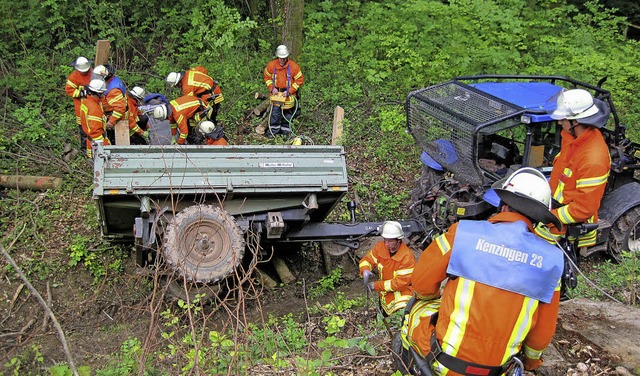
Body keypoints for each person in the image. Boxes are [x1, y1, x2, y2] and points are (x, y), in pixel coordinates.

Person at [401, 167, 564, 375]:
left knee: (415, 310)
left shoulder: (463, 233)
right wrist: (531, 363)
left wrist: (430, 297)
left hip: (445, 365)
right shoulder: (550, 262)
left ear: (503, 205)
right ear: (538, 219)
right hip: (499, 371)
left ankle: (409, 366)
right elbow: (541, 335)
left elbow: (422, 283)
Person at [534, 89, 611, 249]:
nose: (559, 122)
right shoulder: (573, 138)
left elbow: (584, 208)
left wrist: (550, 217)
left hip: (564, 228)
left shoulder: (593, 159)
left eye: (563, 119)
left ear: (576, 121)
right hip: (552, 213)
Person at [359, 221, 415, 316]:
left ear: (398, 240)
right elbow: (368, 259)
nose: (386, 244)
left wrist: (376, 286)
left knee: (400, 319)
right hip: (385, 296)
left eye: (390, 241)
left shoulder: (407, 257)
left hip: (402, 298)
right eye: (385, 240)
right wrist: (365, 269)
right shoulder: (380, 247)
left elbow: (399, 283)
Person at [263, 44, 304, 137]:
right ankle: (273, 134)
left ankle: (286, 134)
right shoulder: (271, 65)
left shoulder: (294, 67)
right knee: (275, 115)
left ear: (287, 57)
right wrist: (272, 88)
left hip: (289, 95)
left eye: (284, 58)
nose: (282, 60)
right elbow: (267, 77)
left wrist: (290, 90)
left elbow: (300, 80)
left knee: (287, 115)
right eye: (280, 58)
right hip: (276, 94)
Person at [93, 64, 129, 144]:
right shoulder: (113, 81)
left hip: (117, 119)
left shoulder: (113, 90)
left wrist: (111, 122)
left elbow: (120, 108)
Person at [65, 56, 93, 154]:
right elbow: (69, 91)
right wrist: (82, 93)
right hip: (81, 108)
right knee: (83, 130)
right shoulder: (73, 77)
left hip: (94, 107)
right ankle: (84, 149)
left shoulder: (93, 73)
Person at [80, 78, 110, 158]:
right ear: (98, 93)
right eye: (102, 92)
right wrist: (106, 146)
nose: (103, 94)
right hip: (97, 145)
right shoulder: (93, 108)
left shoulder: (89, 101)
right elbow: (95, 132)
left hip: (92, 141)